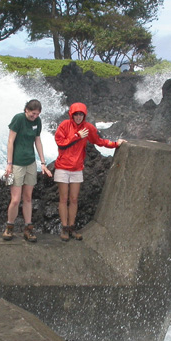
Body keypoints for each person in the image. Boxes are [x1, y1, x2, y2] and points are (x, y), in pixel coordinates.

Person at [54, 102, 126, 241]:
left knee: (74, 199)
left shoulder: (88, 128)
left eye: (81, 114)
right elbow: (60, 143)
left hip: (77, 168)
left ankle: (71, 227)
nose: (79, 117)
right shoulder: (64, 125)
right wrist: (77, 136)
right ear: (72, 115)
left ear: (84, 115)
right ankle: (64, 228)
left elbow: (98, 141)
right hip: (63, 167)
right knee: (63, 199)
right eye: (76, 114)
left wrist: (115, 144)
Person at [2, 99, 52, 242]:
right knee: (16, 199)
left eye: (37, 114)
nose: (34, 117)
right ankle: (9, 227)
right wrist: (9, 163)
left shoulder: (38, 122)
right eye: (32, 114)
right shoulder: (18, 119)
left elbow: (37, 140)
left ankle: (28, 228)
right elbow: (11, 141)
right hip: (17, 163)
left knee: (28, 197)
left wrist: (43, 162)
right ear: (26, 110)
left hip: (31, 163)